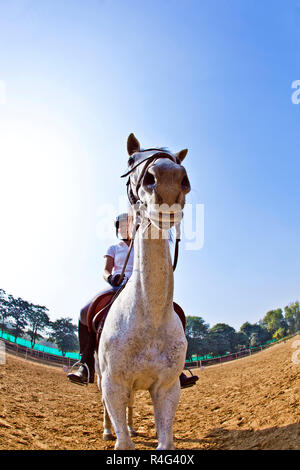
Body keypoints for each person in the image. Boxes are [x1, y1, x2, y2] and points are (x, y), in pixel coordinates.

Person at [67, 213, 198, 388]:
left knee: (175, 313)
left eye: (127, 225)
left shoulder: (143, 246)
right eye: (121, 226)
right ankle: (85, 364)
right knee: (84, 311)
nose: (124, 228)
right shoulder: (114, 248)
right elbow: (105, 270)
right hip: (118, 286)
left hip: (143, 286)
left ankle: (177, 367)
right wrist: (111, 278)